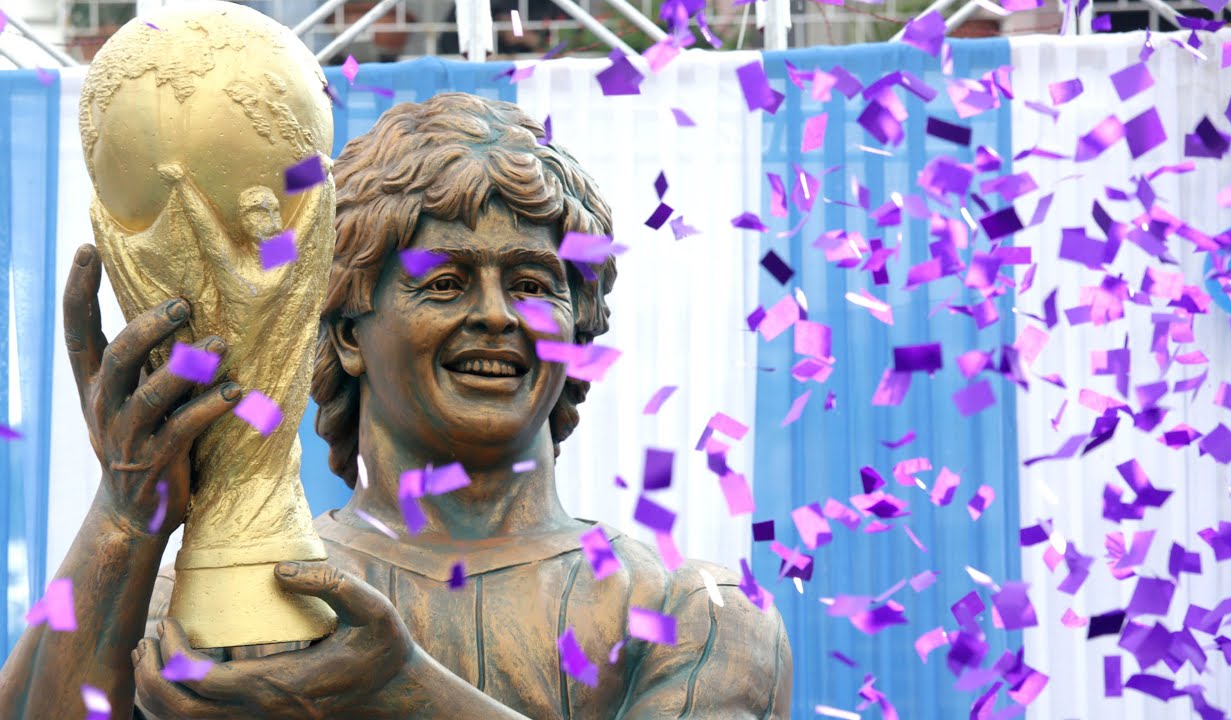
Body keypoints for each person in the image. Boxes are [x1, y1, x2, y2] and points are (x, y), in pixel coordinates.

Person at [0, 92, 791, 718]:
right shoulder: (224, 602)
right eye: (443, 282)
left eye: (533, 284)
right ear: (347, 330)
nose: (496, 314)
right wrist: (125, 521)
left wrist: (404, 694)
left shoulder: (698, 616)